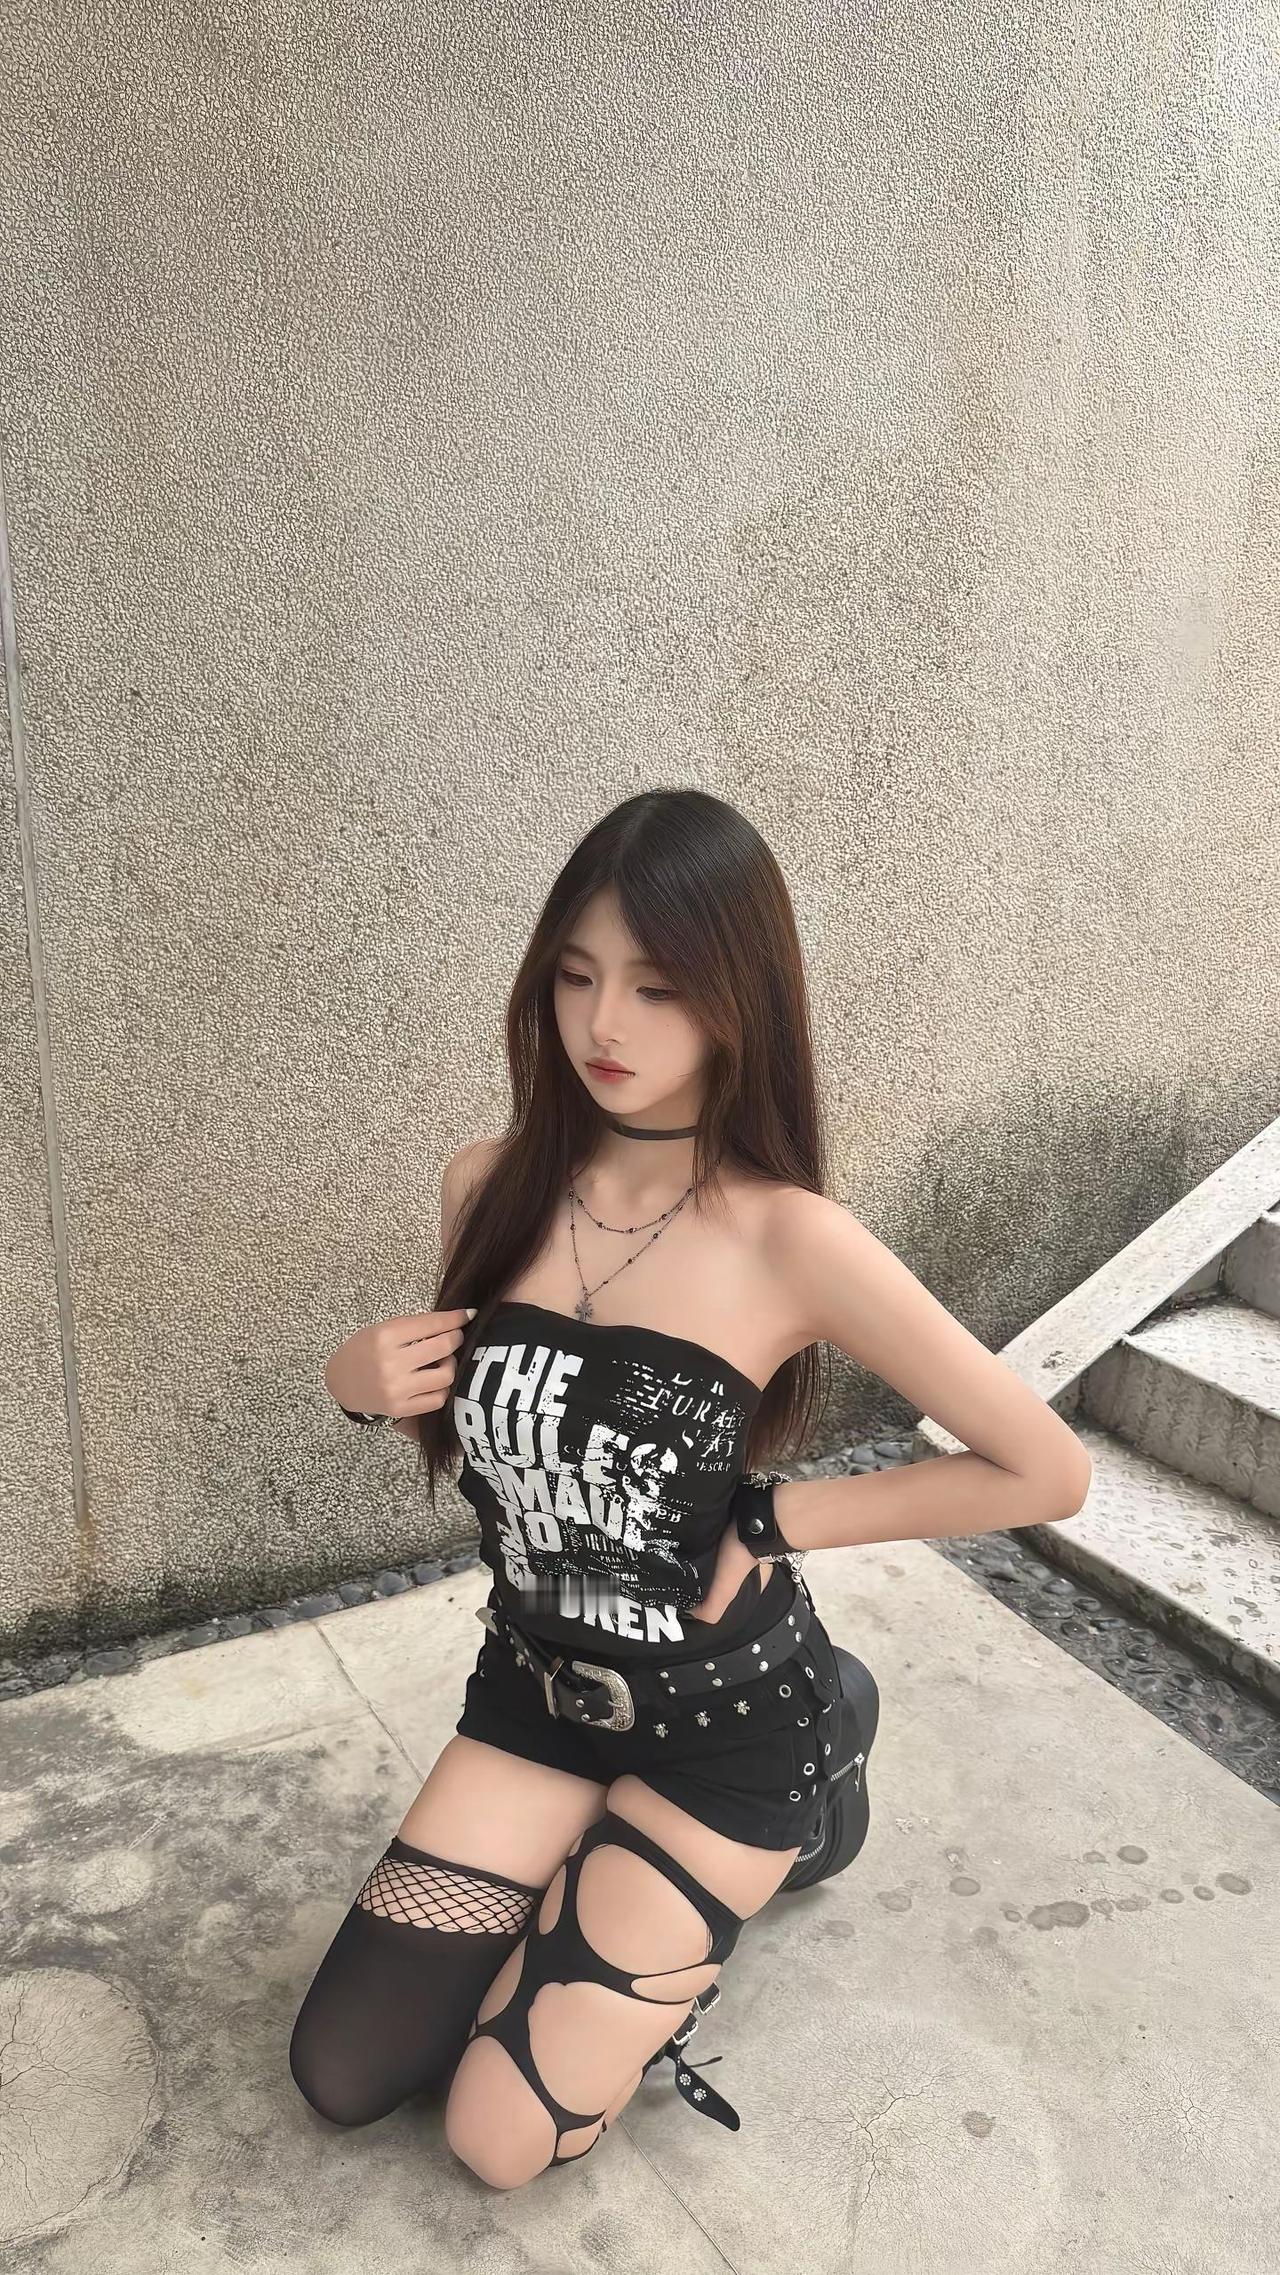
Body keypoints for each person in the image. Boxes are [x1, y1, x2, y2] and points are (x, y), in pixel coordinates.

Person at [288, 787, 1091, 2188]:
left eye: (657, 988)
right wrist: (360, 1381)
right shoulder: (486, 1186)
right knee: (345, 2072)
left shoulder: (791, 1239)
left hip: (724, 1724)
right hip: (537, 1698)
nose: (605, 1025)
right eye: (576, 976)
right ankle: (598, 1864)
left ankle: (827, 1748)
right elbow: (499, 1413)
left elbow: (1046, 1470)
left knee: (494, 2138)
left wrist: (780, 1517)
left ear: (737, 1001)